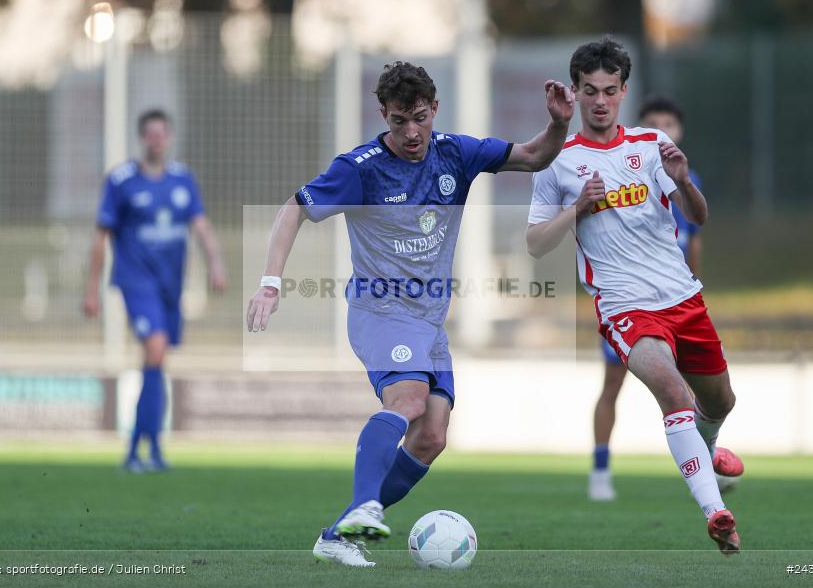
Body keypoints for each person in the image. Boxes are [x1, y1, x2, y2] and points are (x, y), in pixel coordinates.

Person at [246, 61, 574, 567]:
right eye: (399, 121)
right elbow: (294, 208)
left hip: (428, 319)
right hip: (380, 309)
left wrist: (558, 124)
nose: (411, 131)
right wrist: (271, 283)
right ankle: (364, 506)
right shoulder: (362, 167)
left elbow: (532, 156)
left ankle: (337, 535)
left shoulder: (455, 154)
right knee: (411, 401)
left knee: (431, 436)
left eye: (419, 117)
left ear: (434, 110)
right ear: (384, 115)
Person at [526, 38, 743, 554]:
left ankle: (705, 447)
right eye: (589, 91)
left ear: (623, 92)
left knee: (721, 401)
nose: (599, 101)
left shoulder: (649, 146)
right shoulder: (558, 161)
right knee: (673, 394)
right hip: (624, 306)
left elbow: (698, 217)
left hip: (682, 299)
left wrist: (684, 182)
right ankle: (717, 512)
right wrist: (577, 208)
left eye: (608, 91)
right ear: (576, 94)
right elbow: (536, 244)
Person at [83, 109, 227, 472]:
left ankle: (144, 450)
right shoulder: (122, 181)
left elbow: (202, 228)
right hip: (135, 281)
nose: (156, 140)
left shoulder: (182, 180)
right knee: (156, 347)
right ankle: (140, 451)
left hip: (169, 286)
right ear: (141, 139)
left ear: (171, 137)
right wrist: (91, 290)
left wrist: (216, 264)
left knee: (157, 360)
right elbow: (101, 237)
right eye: (150, 134)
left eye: (162, 133)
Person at [589, 95, 708, 501]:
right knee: (612, 385)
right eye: (654, 124)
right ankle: (600, 470)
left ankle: (701, 463)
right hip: (629, 301)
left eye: (669, 125)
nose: (663, 132)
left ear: (679, 131)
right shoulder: (625, 175)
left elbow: (694, 238)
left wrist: (694, 283)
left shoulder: (686, 180)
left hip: (676, 300)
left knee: (696, 388)